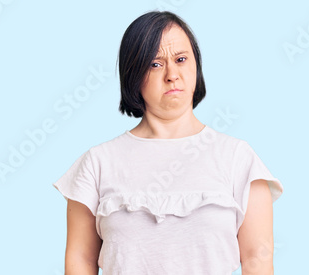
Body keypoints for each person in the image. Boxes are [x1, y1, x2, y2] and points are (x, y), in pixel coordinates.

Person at [52, 10, 284, 275]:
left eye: (181, 59)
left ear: (196, 65)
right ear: (133, 74)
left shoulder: (239, 158)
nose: (172, 74)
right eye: (155, 64)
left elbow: (257, 259)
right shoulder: (96, 163)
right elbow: (80, 260)